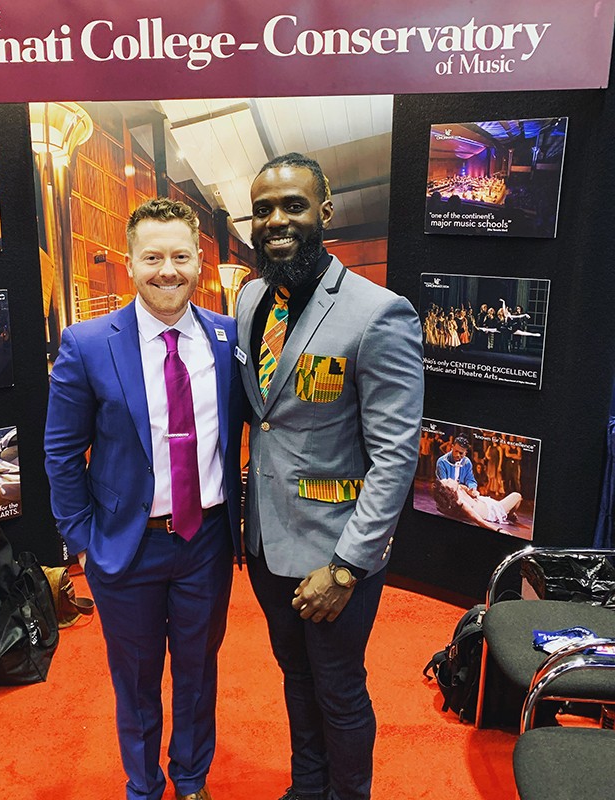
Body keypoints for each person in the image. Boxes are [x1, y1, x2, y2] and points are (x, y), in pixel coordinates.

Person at [235, 153, 423, 800]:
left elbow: (395, 457)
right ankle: (306, 788)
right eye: (263, 209)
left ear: (326, 211)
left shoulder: (379, 313)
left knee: (339, 690)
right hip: (265, 544)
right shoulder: (251, 298)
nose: (277, 220)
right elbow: (265, 421)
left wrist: (347, 567)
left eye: (294, 205)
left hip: (335, 555)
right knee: (295, 679)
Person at [44, 198, 243, 800]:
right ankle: (143, 785)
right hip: (125, 549)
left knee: (198, 674)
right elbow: (61, 453)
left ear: (199, 261)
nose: (167, 270)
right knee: (134, 681)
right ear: (129, 263)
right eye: (152, 257)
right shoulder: (87, 343)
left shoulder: (226, 337)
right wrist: (83, 541)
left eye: (180, 256)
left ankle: (191, 780)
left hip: (206, 541)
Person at [432, 478, 521, 532]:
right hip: (492, 511)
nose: (449, 478)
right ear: (451, 489)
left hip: (483, 501)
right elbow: (479, 521)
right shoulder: (461, 503)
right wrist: (498, 530)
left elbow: (466, 489)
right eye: (448, 481)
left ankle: (508, 513)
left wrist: (471, 492)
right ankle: (508, 514)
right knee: (517, 496)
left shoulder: (458, 487)